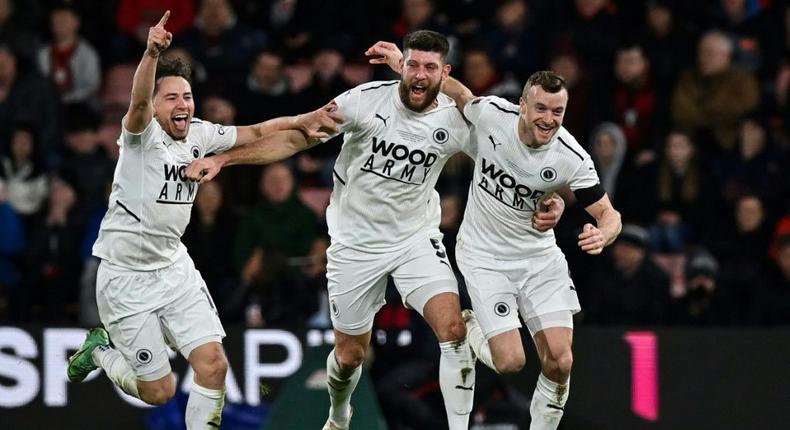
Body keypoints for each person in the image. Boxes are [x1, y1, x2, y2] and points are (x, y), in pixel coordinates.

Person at [185, 30, 563, 430]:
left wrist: (549, 199)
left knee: (452, 329)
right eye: (413, 64)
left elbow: (509, 160)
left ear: (444, 73)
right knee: (349, 356)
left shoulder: (455, 119)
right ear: (402, 66)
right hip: (355, 244)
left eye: (430, 67)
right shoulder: (364, 101)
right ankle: (338, 412)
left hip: (415, 240)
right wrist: (226, 160)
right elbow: (298, 138)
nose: (419, 75)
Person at [65, 11, 340, 430]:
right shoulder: (141, 138)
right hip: (125, 278)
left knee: (213, 366)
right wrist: (151, 54)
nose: (183, 104)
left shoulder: (200, 133)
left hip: (174, 267)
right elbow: (137, 102)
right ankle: (100, 350)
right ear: (156, 107)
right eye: (172, 97)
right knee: (159, 392)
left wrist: (302, 119)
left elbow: (258, 130)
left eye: (187, 96)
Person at [366, 41, 622, 430]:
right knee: (511, 362)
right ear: (523, 104)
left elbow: (608, 212)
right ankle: (469, 328)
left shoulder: (572, 157)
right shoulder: (492, 116)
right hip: (484, 257)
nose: (549, 119)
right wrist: (404, 65)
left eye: (558, 111)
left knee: (561, 359)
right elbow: (457, 92)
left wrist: (603, 234)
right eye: (541, 109)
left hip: (538, 259)